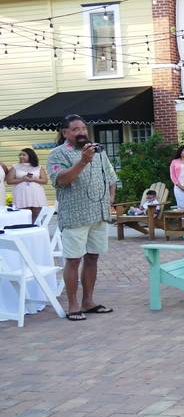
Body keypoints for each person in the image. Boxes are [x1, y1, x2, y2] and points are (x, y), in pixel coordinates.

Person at [47, 114, 118, 322]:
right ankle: (73, 305)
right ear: (65, 133)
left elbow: (111, 177)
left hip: (98, 214)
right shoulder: (57, 154)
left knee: (92, 257)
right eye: (76, 129)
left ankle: (88, 301)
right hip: (75, 216)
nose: (82, 132)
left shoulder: (98, 151)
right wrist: (83, 161)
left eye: (83, 129)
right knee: (73, 259)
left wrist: (110, 198)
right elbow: (60, 180)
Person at [7, 148, 48, 222]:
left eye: (23, 155)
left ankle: (37, 230)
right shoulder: (15, 167)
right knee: (24, 214)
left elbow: (45, 180)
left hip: (36, 194)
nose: (21, 156)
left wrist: (33, 179)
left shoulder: (38, 167)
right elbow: (9, 181)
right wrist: (22, 179)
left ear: (30, 156)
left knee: (37, 213)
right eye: (20, 155)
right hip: (21, 194)